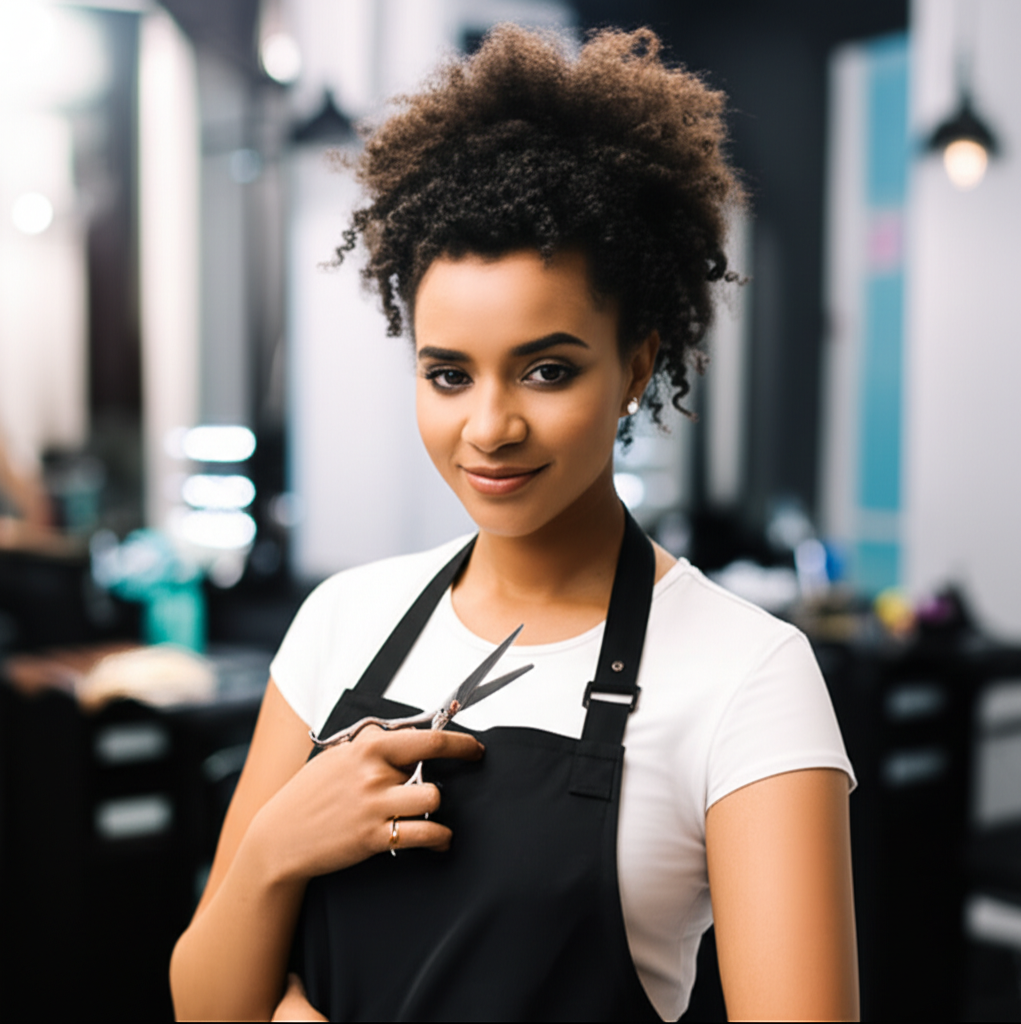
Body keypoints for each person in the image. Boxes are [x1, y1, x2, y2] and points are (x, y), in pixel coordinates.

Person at [170, 24, 858, 1022]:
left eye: (547, 369)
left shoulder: (748, 675)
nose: (487, 428)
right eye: (448, 374)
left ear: (633, 365)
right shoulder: (341, 620)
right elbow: (202, 1000)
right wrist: (279, 846)